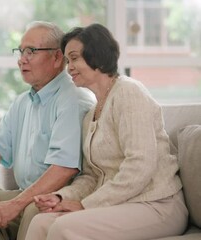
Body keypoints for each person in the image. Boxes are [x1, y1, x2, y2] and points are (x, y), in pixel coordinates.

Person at [26, 23, 188, 240]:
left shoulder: (129, 92)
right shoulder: (91, 114)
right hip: (121, 204)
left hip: (156, 204)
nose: (69, 67)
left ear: (97, 56)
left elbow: (140, 165)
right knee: (40, 222)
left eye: (74, 58)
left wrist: (84, 205)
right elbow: (92, 176)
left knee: (63, 228)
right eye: (67, 60)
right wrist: (60, 197)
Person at [0, 21, 95, 240]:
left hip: (60, 197)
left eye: (31, 51)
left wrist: (16, 204)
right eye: (20, 51)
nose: (22, 59)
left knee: (33, 210)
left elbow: (64, 169)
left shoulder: (73, 99)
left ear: (57, 58)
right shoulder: (22, 102)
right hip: (28, 193)